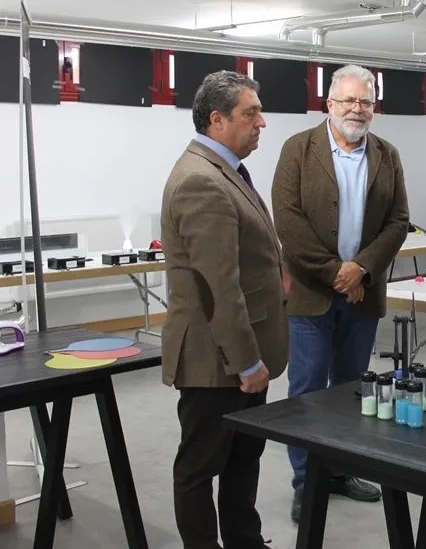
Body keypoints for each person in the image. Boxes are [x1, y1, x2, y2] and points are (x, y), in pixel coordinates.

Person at [271, 64, 410, 520]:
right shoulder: (298, 149)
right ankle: (306, 481)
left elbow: (397, 221)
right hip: (312, 294)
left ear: (374, 108)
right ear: (329, 104)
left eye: (365, 102)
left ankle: (342, 470)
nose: (357, 109)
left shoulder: (387, 155)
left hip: (362, 295)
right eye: (348, 100)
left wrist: (363, 269)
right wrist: (337, 273)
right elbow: (288, 222)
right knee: (307, 390)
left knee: (352, 388)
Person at [161, 70, 288, 549]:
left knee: (242, 458)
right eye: (250, 113)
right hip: (218, 361)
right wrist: (248, 362)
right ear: (217, 120)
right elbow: (218, 286)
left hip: (235, 354)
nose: (262, 122)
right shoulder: (202, 181)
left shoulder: (224, 170)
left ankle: (244, 541)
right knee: (200, 468)